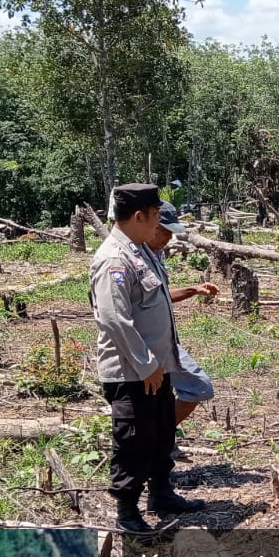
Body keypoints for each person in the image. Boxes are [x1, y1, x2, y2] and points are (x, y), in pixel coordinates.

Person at [88, 183, 205, 534]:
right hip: (132, 372)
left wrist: (159, 363)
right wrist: (145, 364)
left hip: (156, 367)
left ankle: (162, 493)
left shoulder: (139, 250)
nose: (159, 226)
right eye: (155, 217)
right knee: (134, 441)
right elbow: (112, 318)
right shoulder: (114, 259)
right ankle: (127, 513)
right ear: (138, 216)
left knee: (160, 434)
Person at [143, 201, 218, 429]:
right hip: (147, 345)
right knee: (197, 385)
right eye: (165, 231)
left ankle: (162, 437)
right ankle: (160, 438)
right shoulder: (132, 258)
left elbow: (161, 296)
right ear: (150, 225)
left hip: (165, 342)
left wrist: (194, 290)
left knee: (192, 388)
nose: (168, 237)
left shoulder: (156, 254)